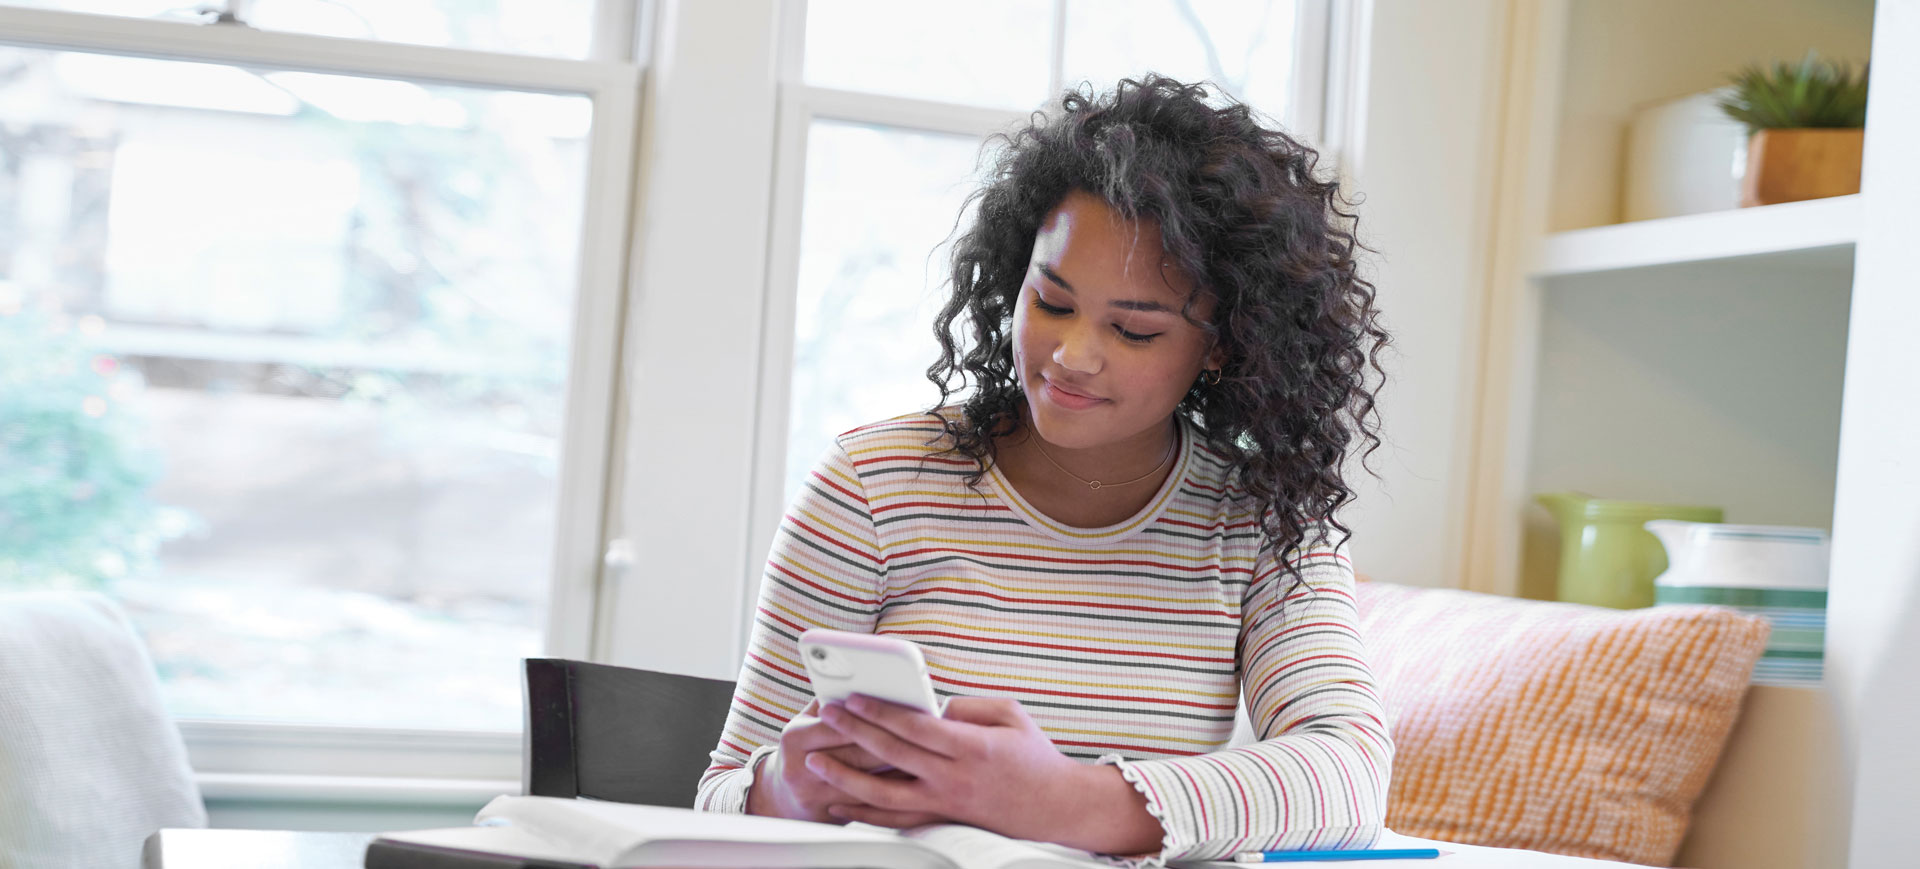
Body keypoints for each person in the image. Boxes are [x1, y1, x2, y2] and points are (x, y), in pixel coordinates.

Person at [696, 75, 1394, 864]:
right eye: (1052, 303)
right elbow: (721, 794)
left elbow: (1350, 778)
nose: (1071, 356)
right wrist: (789, 788)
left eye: (1133, 331)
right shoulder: (873, 485)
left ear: (1223, 345)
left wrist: (1055, 800)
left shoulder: (1263, 517)